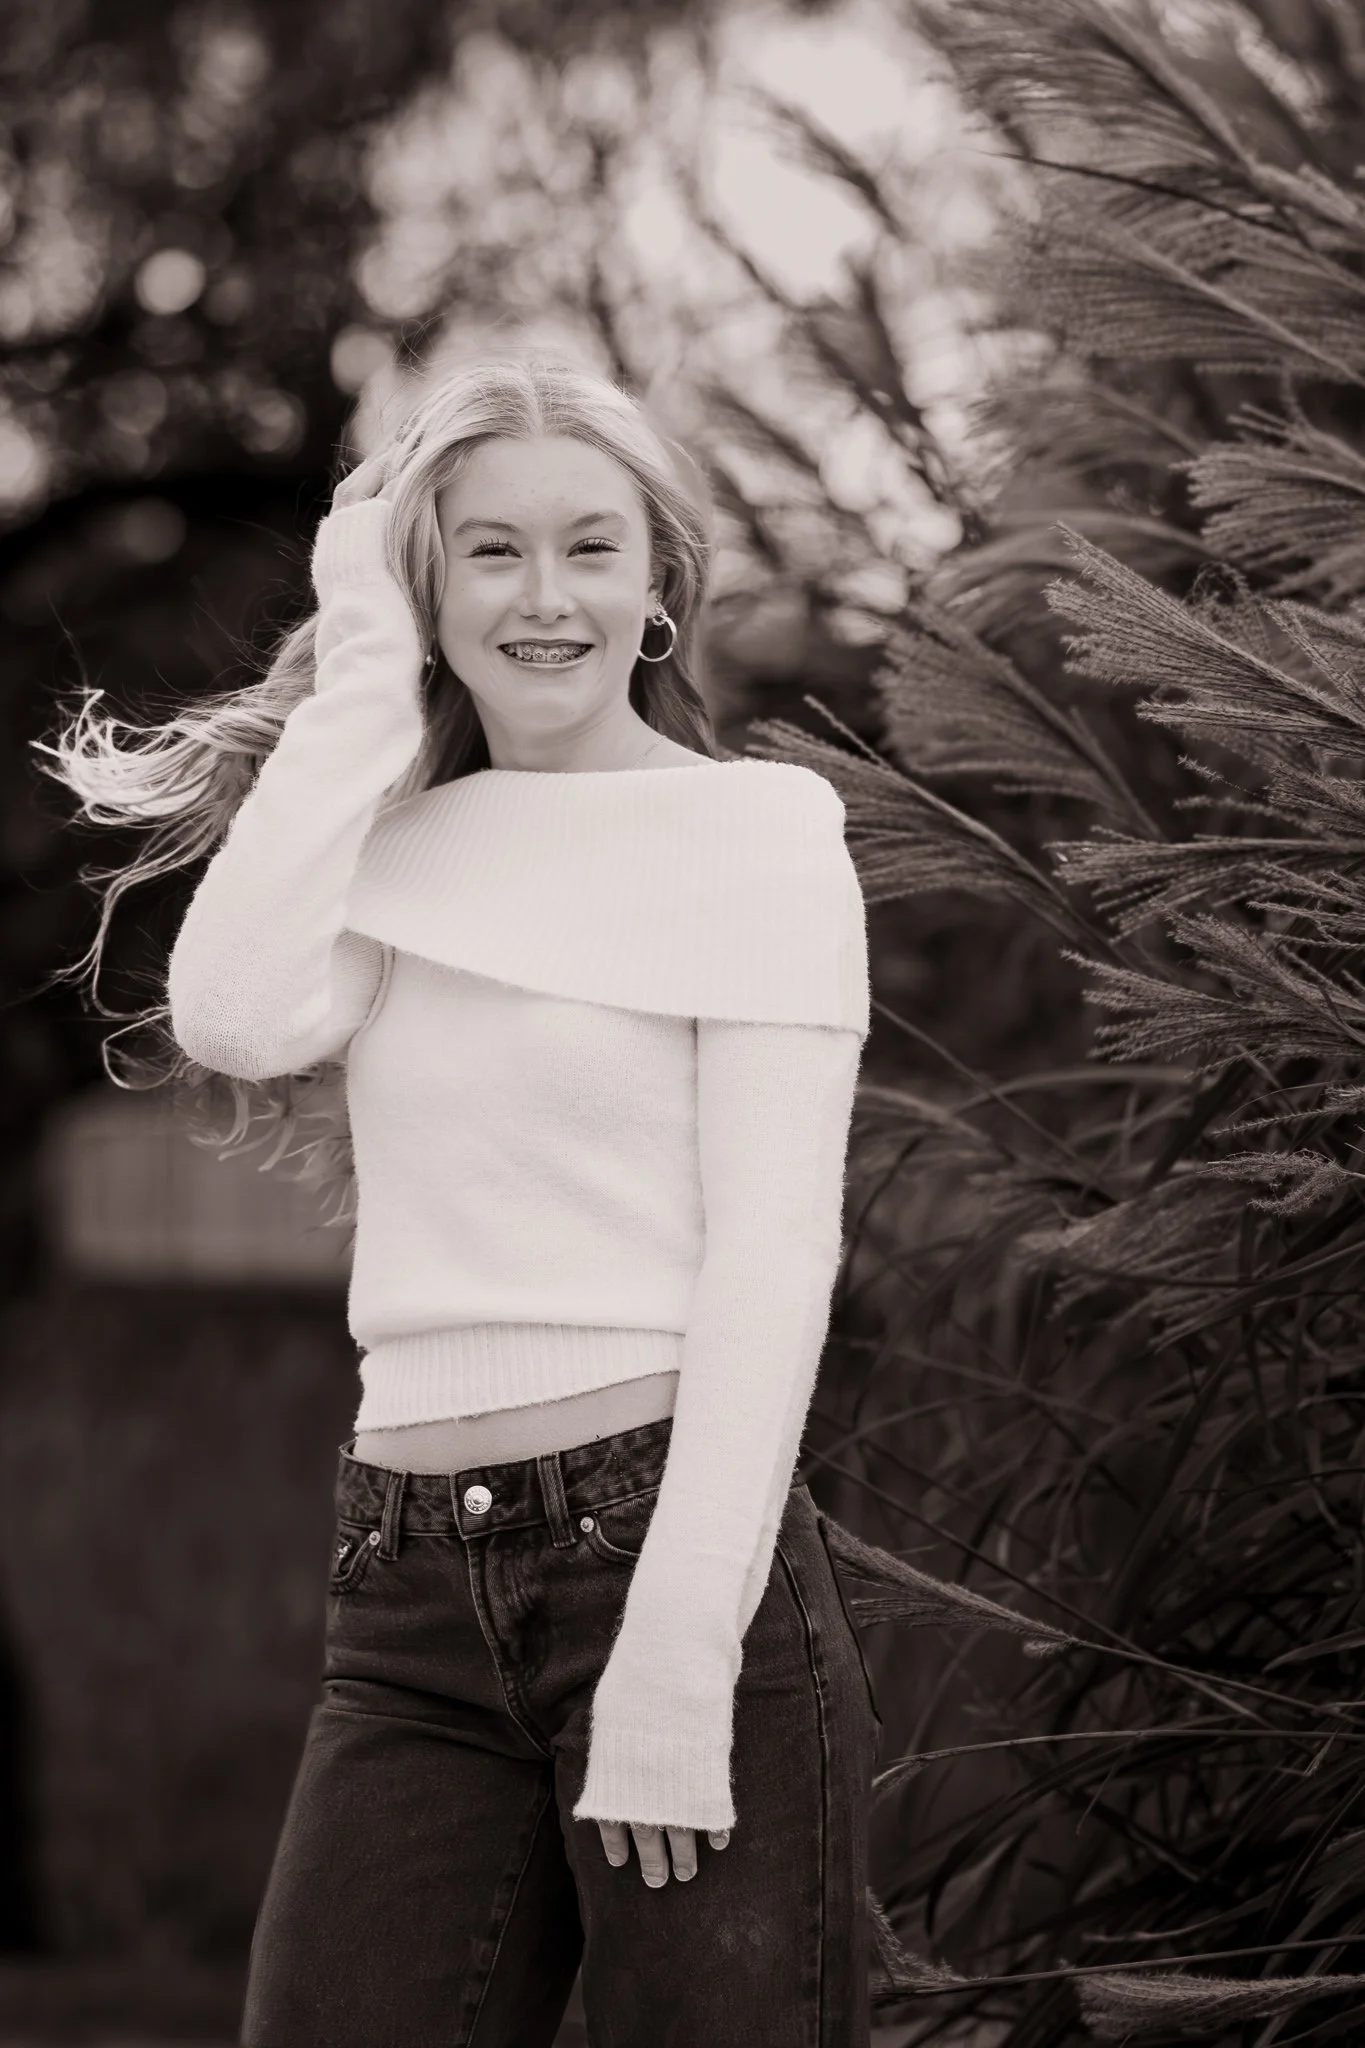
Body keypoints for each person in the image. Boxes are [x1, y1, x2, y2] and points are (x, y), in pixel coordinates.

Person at [45, 355, 880, 2046]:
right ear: (429, 583)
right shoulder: (391, 842)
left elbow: (778, 1254)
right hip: (407, 1587)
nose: (545, 596)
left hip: (665, 1557)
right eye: (489, 551)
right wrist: (361, 664)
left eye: (591, 547)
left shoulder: (761, 835)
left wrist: (677, 1650)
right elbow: (232, 1012)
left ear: (659, 583)